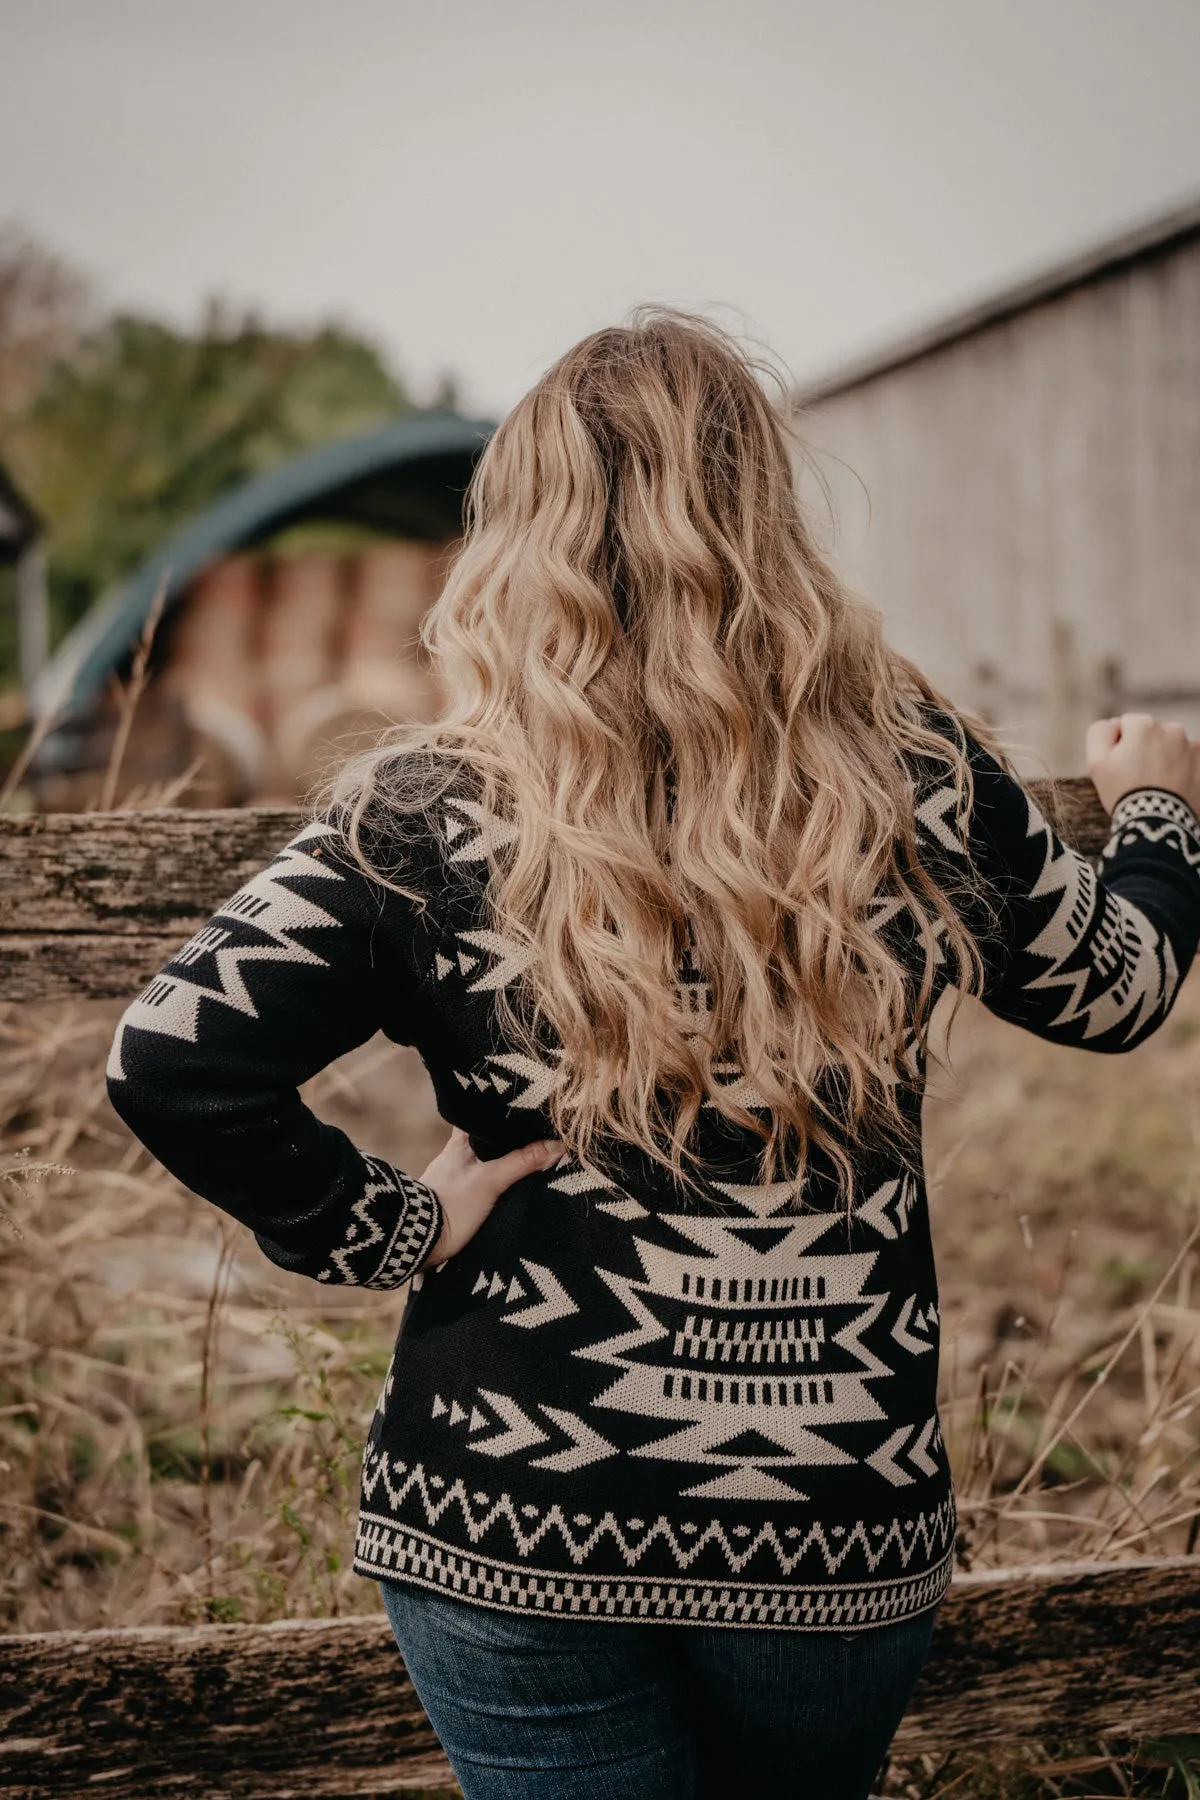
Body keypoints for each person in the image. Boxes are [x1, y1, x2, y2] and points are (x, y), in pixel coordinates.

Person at [106, 311, 1200, 1800]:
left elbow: (174, 1052)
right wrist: (1154, 821)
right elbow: (1118, 989)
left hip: (506, 1517)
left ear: (519, 533)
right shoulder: (918, 780)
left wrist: (395, 1227)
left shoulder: (428, 811)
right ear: (769, 518)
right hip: (828, 1523)